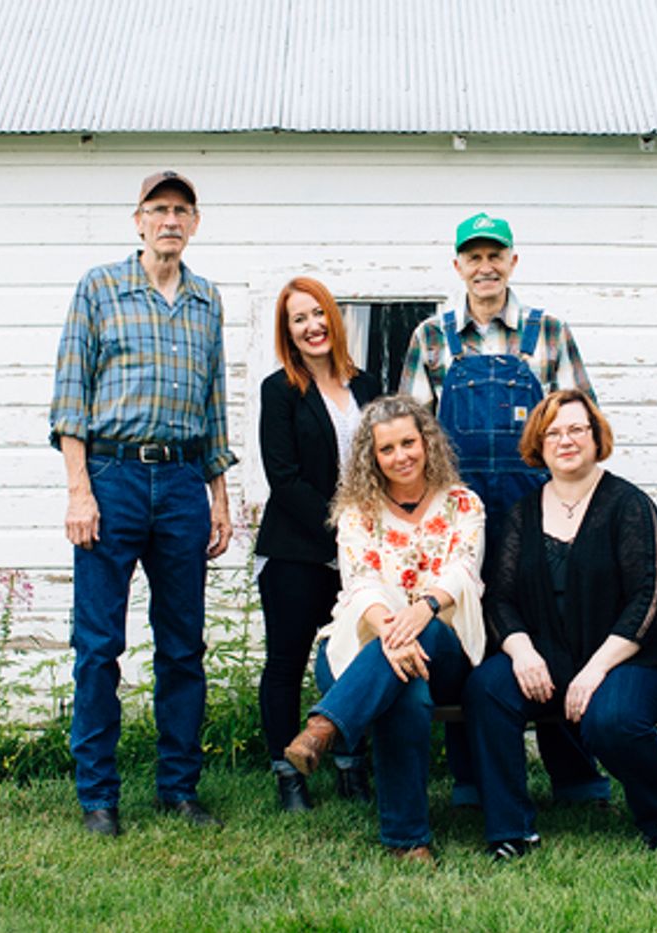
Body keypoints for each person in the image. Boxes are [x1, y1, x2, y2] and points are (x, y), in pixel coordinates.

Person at [399, 211, 608, 808]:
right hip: (456, 516)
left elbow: (582, 421)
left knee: (551, 627)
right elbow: (412, 433)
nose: (485, 267)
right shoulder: (431, 338)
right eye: (474, 256)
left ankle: (576, 773)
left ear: (513, 262)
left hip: (539, 510)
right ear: (458, 265)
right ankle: (470, 778)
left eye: (496, 255)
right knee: (468, 634)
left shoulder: (549, 333)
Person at [49, 170, 235, 836]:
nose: (170, 220)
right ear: (137, 220)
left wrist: (218, 494)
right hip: (112, 478)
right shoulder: (99, 288)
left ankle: (178, 788)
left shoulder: (207, 300)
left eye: (182, 210)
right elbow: (71, 398)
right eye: (159, 209)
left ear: (195, 223)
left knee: (184, 645)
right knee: (99, 644)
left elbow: (214, 405)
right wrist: (79, 489)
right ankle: (98, 794)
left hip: (183, 482)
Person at [464, 389, 657, 857]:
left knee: (614, 720)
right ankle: (510, 831)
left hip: (632, 657)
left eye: (576, 429)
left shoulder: (630, 505)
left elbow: (648, 598)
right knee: (486, 687)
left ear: (595, 436)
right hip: (549, 654)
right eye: (553, 433)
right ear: (539, 446)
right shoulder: (523, 513)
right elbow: (499, 598)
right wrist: (522, 651)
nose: (566, 441)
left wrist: (595, 670)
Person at [283, 395, 487, 863]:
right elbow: (360, 583)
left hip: (445, 644)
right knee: (407, 689)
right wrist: (391, 633)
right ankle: (408, 841)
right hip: (368, 646)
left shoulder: (462, 504)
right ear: (372, 457)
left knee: (425, 644)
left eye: (408, 443)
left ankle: (324, 725)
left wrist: (423, 611)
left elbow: (463, 570)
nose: (401, 456)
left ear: (427, 442)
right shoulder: (358, 511)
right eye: (387, 449)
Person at [255, 277, 380, 812]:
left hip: (365, 555)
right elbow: (283, 479)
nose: (312, 326)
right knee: (287, 661)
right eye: (297, 319)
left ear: (335, 317)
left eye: (318, 314)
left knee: (355, 657)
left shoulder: (367, 386)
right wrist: (341, 529)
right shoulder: (278, 389)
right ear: (288, 333)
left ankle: (353, 765)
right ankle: (289, 773)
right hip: (296, 551)